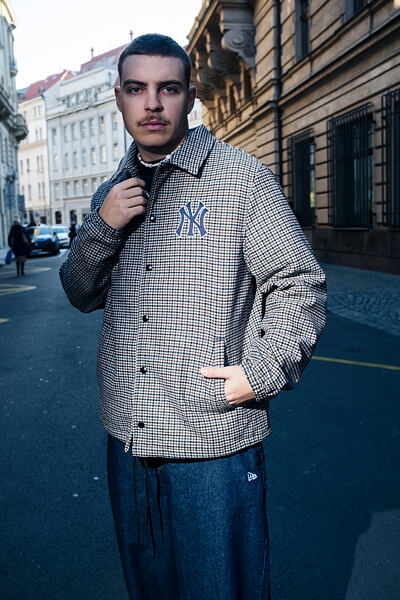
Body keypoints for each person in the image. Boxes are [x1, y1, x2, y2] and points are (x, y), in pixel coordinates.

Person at [60, 34, 327, 600]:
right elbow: (80, 292)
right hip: (129, 435)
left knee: (219, 590)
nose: (152, 103)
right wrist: (104, 226)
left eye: (169, 88)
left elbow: (298, 282)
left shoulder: (239, 178)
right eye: (137, 88)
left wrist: (259, 373)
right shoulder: (112, 191)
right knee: (150, 589)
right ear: (119, 97)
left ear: (189, 97)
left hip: (211, 440)